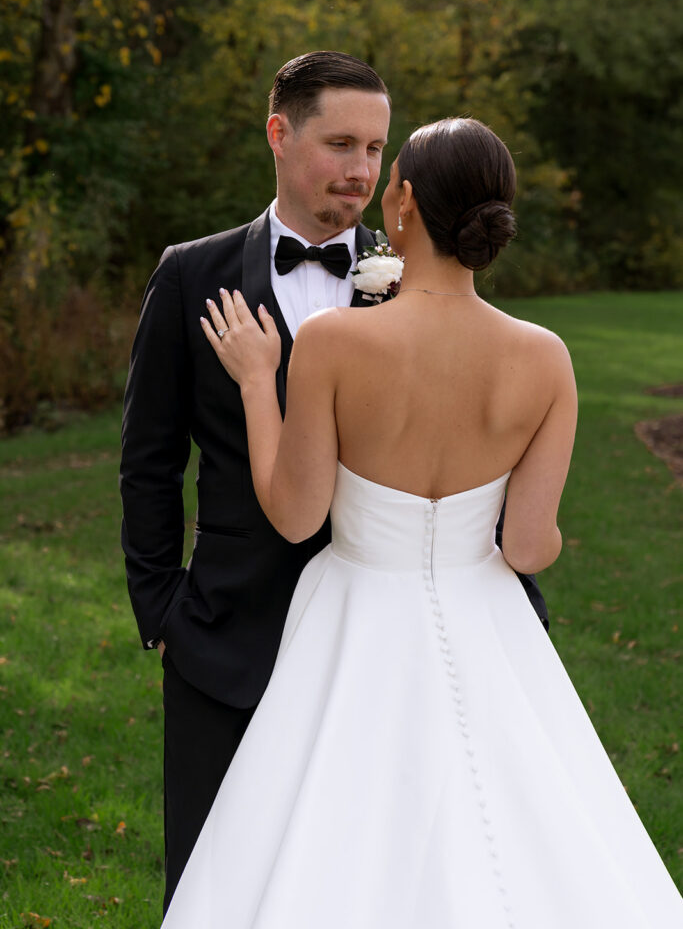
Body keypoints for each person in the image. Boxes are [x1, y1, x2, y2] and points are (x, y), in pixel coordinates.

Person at [160, 117, 683, 927]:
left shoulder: (334, 341)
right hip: (487, 619)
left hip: (353, 615)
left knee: (339, 830)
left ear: (402, 202)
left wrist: (260, 383)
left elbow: (296, 517)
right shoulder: (545, 356)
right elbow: (528, 545)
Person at [120, 53, 547, 914]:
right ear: (279, 133)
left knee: (385, 881)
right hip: (227, 637)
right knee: (221, 886)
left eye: (376, 149)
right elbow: (149, 461)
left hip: (395, 647)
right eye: (341, 144)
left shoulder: (422, 279)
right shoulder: (192, 274)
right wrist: (162, 612)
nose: (360, 169)